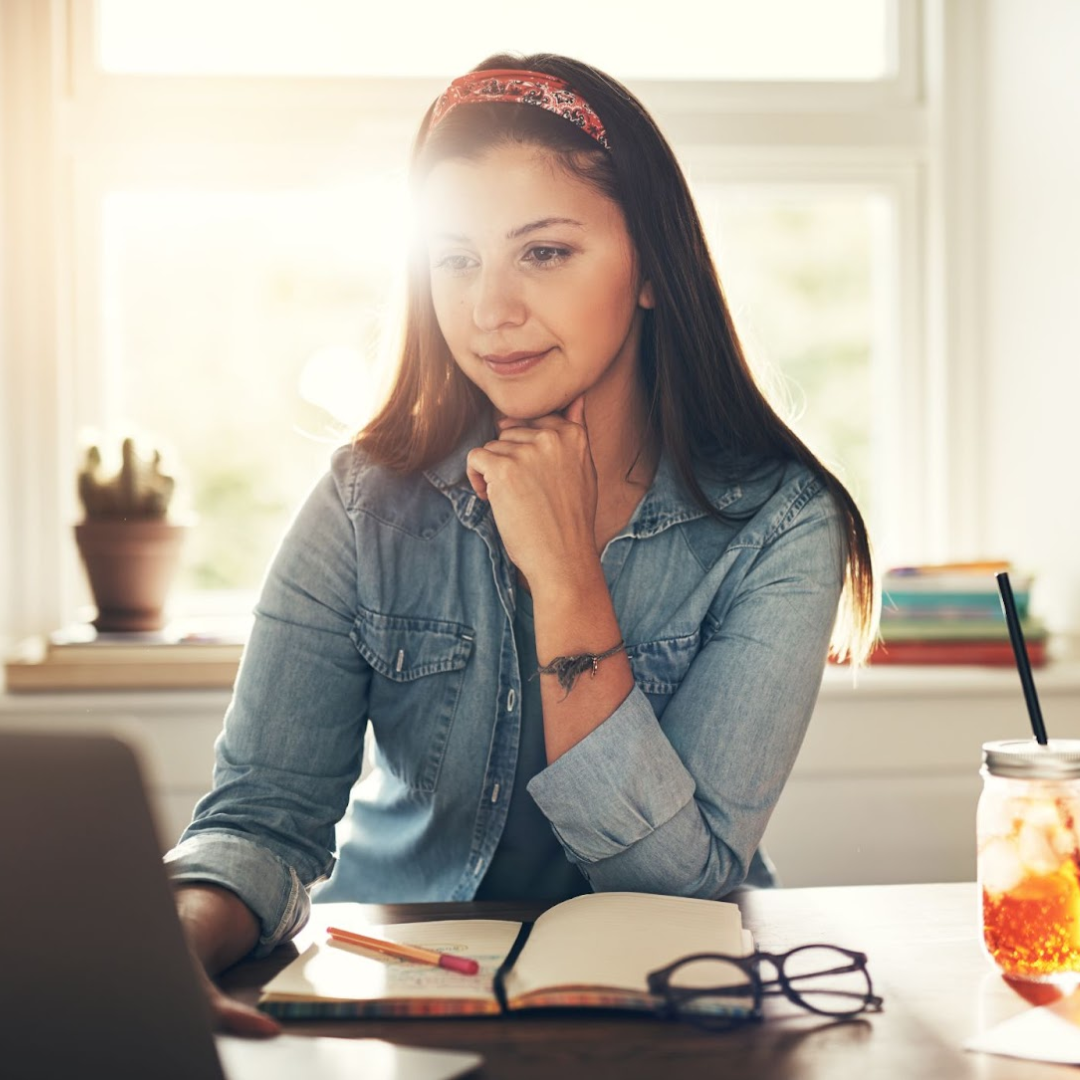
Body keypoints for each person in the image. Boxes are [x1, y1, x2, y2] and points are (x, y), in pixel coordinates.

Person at [166, 54, 876, 1033]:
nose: (488, 310)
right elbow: (261, 820)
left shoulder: (779, 526)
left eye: (544, 253)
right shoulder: (366, 502)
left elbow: (680, 893)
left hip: (669, 1020)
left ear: (652, 273)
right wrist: (172, 940)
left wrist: (564, 573)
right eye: (456, 258)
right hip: (391, 999)